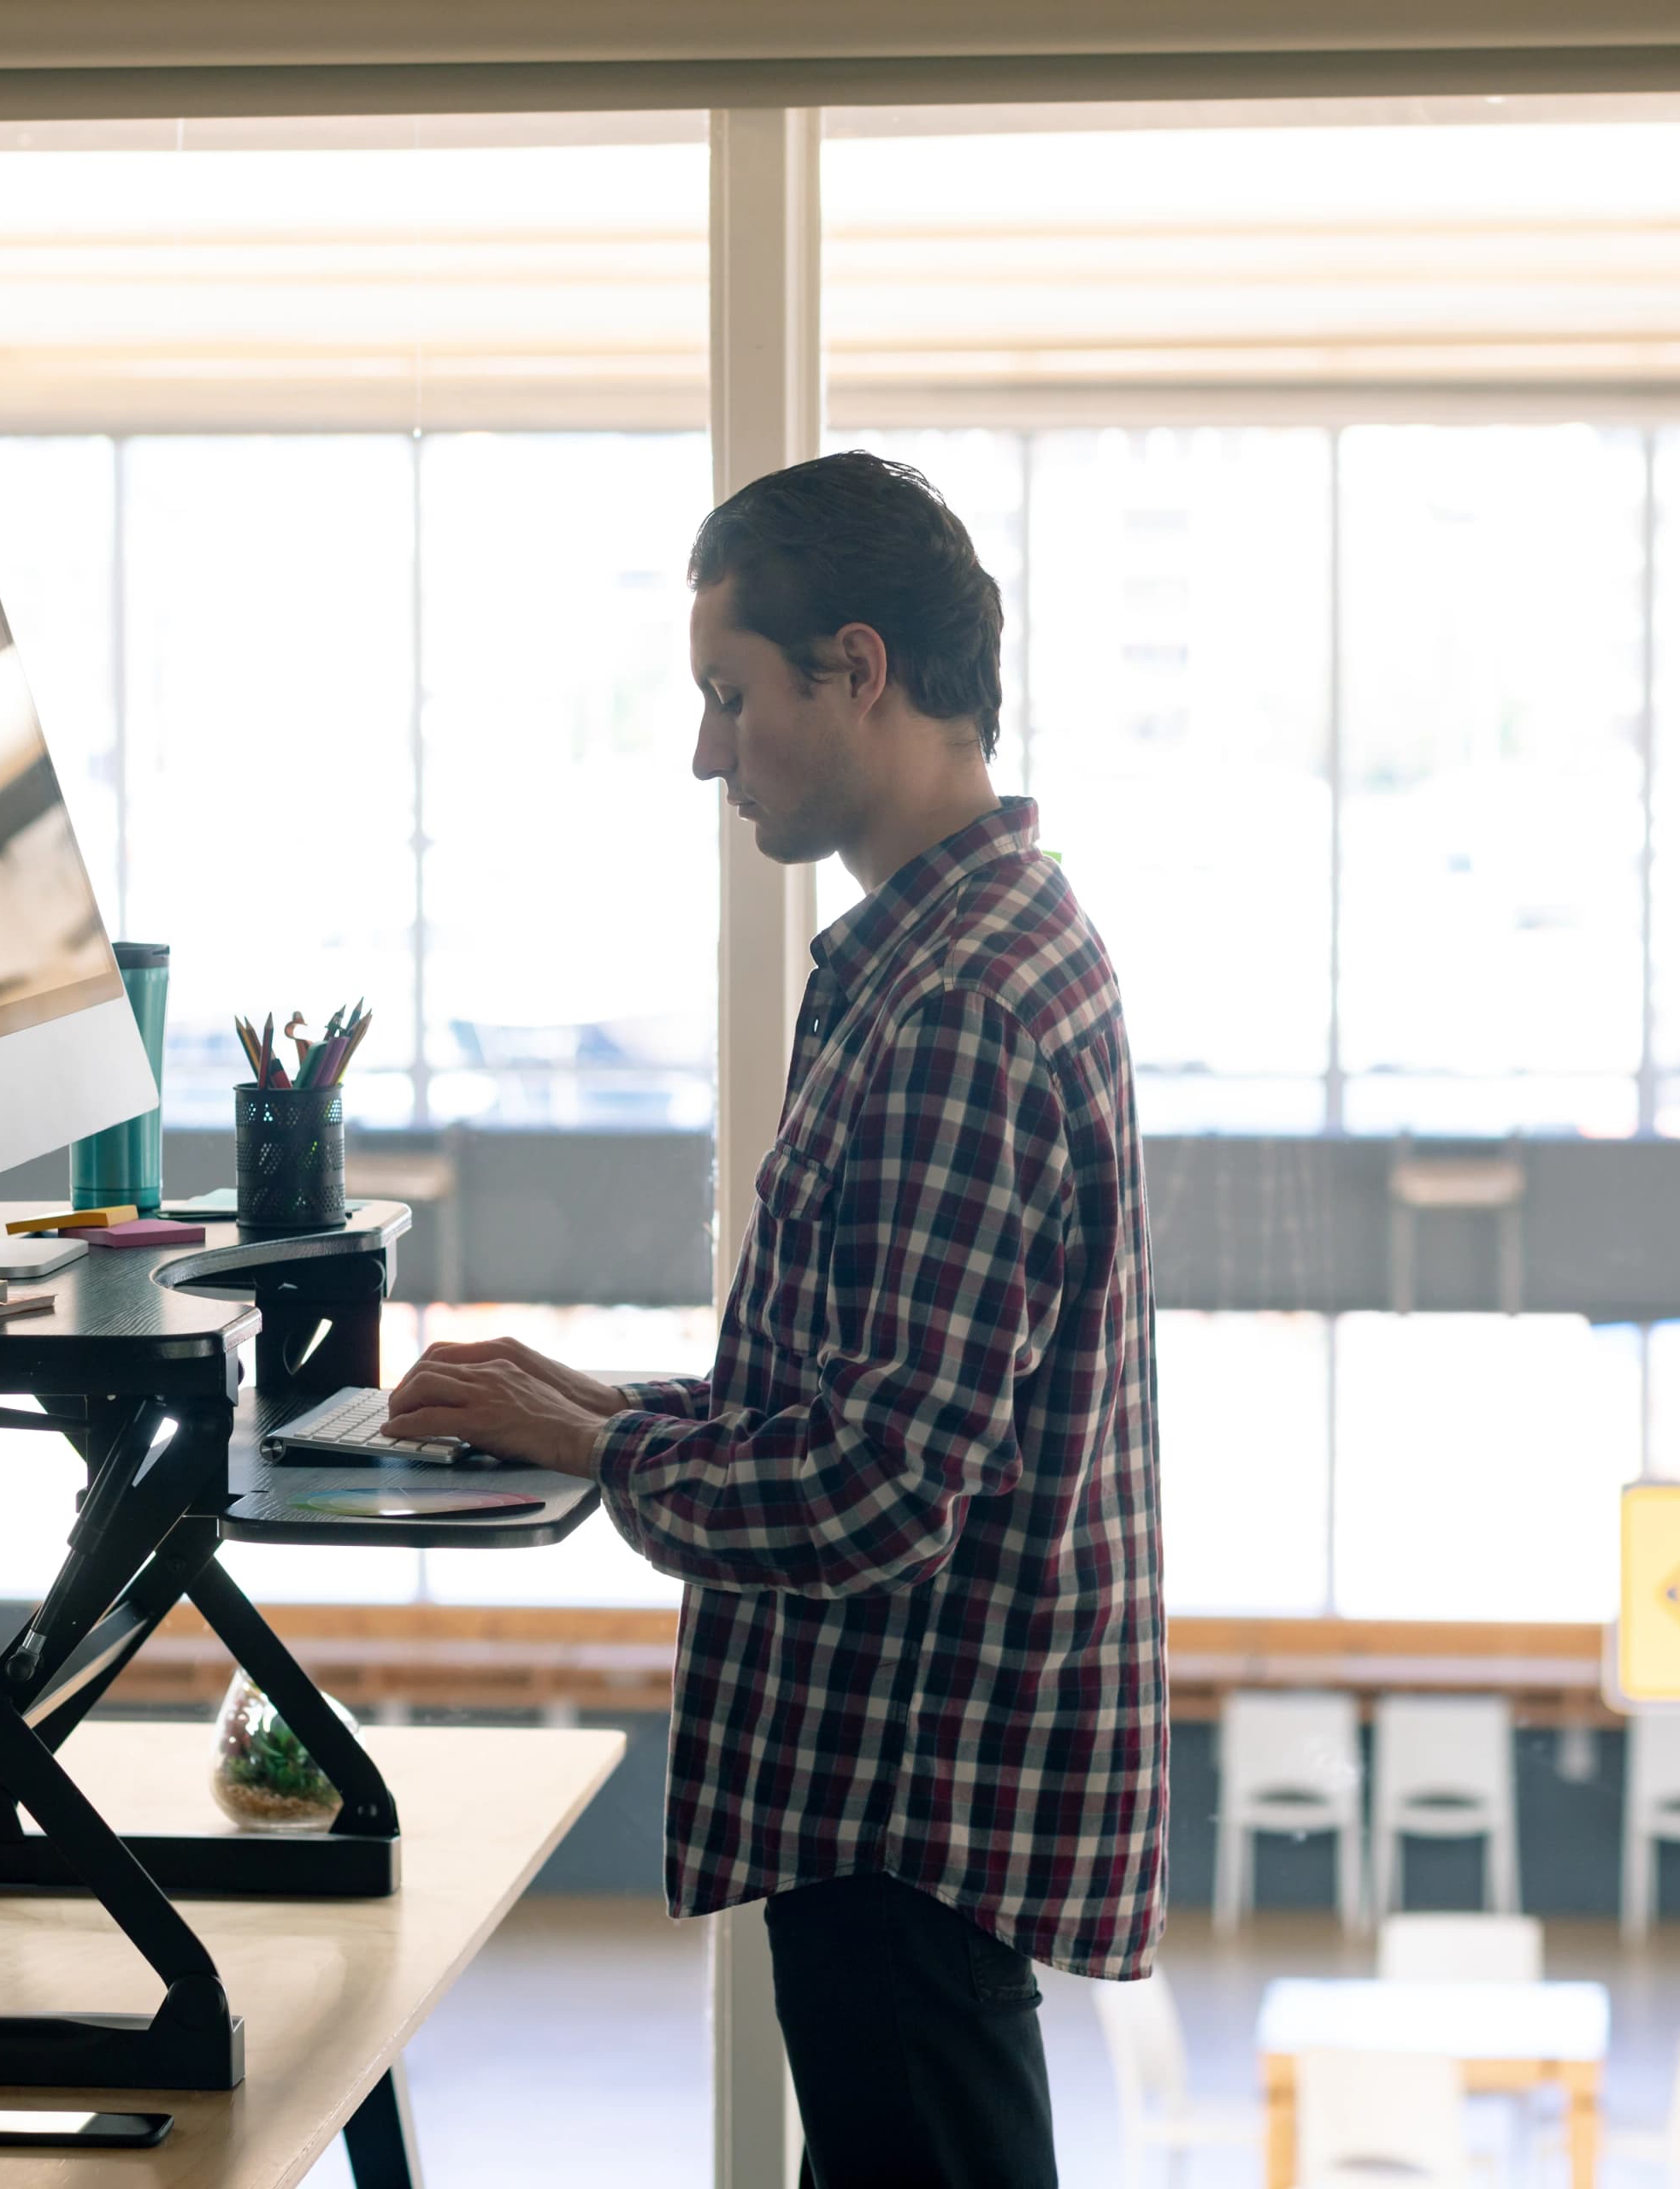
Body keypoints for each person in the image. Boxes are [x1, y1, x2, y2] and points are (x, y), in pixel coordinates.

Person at [385, 450, 1167, 2188]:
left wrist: (602, 1444)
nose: (707, 751)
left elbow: (879, 1492)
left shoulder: (956, 1003)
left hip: (914, 1811)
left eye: (732, 696)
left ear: (860, 669)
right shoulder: (963, 947)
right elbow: (859, 1388)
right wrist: (591, 1394)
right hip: (919, 1803)